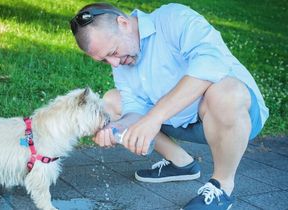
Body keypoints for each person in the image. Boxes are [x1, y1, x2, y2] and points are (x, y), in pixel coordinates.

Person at [69, 2, 269, 210]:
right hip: (182, 122)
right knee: (111, 101)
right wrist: (117, 127)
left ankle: (222, 186)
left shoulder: (173, 18)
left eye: (113, 51)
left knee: (226, 91)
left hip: (234, 115)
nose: (114, 63)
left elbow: (211, 64)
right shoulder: (123, 61)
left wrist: (154, 117)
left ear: (123, 23)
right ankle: (182, 164)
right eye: (104, 60)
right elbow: (133, 108)